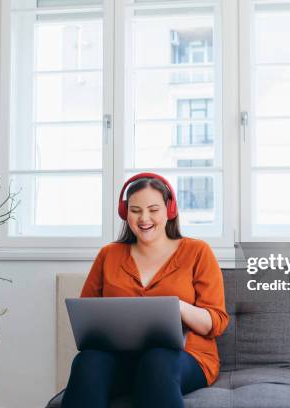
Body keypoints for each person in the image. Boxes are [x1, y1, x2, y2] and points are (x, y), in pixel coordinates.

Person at [61, 172, 229, 408]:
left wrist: (176, 307)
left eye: (153, 209)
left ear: (169, 210)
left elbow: (216, 322)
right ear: (125, 212)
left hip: (183, 359)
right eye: (135, 210)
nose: (144, 218)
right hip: (119, 358)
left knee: (156, 361)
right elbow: (88, 318)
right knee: (87, 361)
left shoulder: (198, 252)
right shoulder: (108, 255)